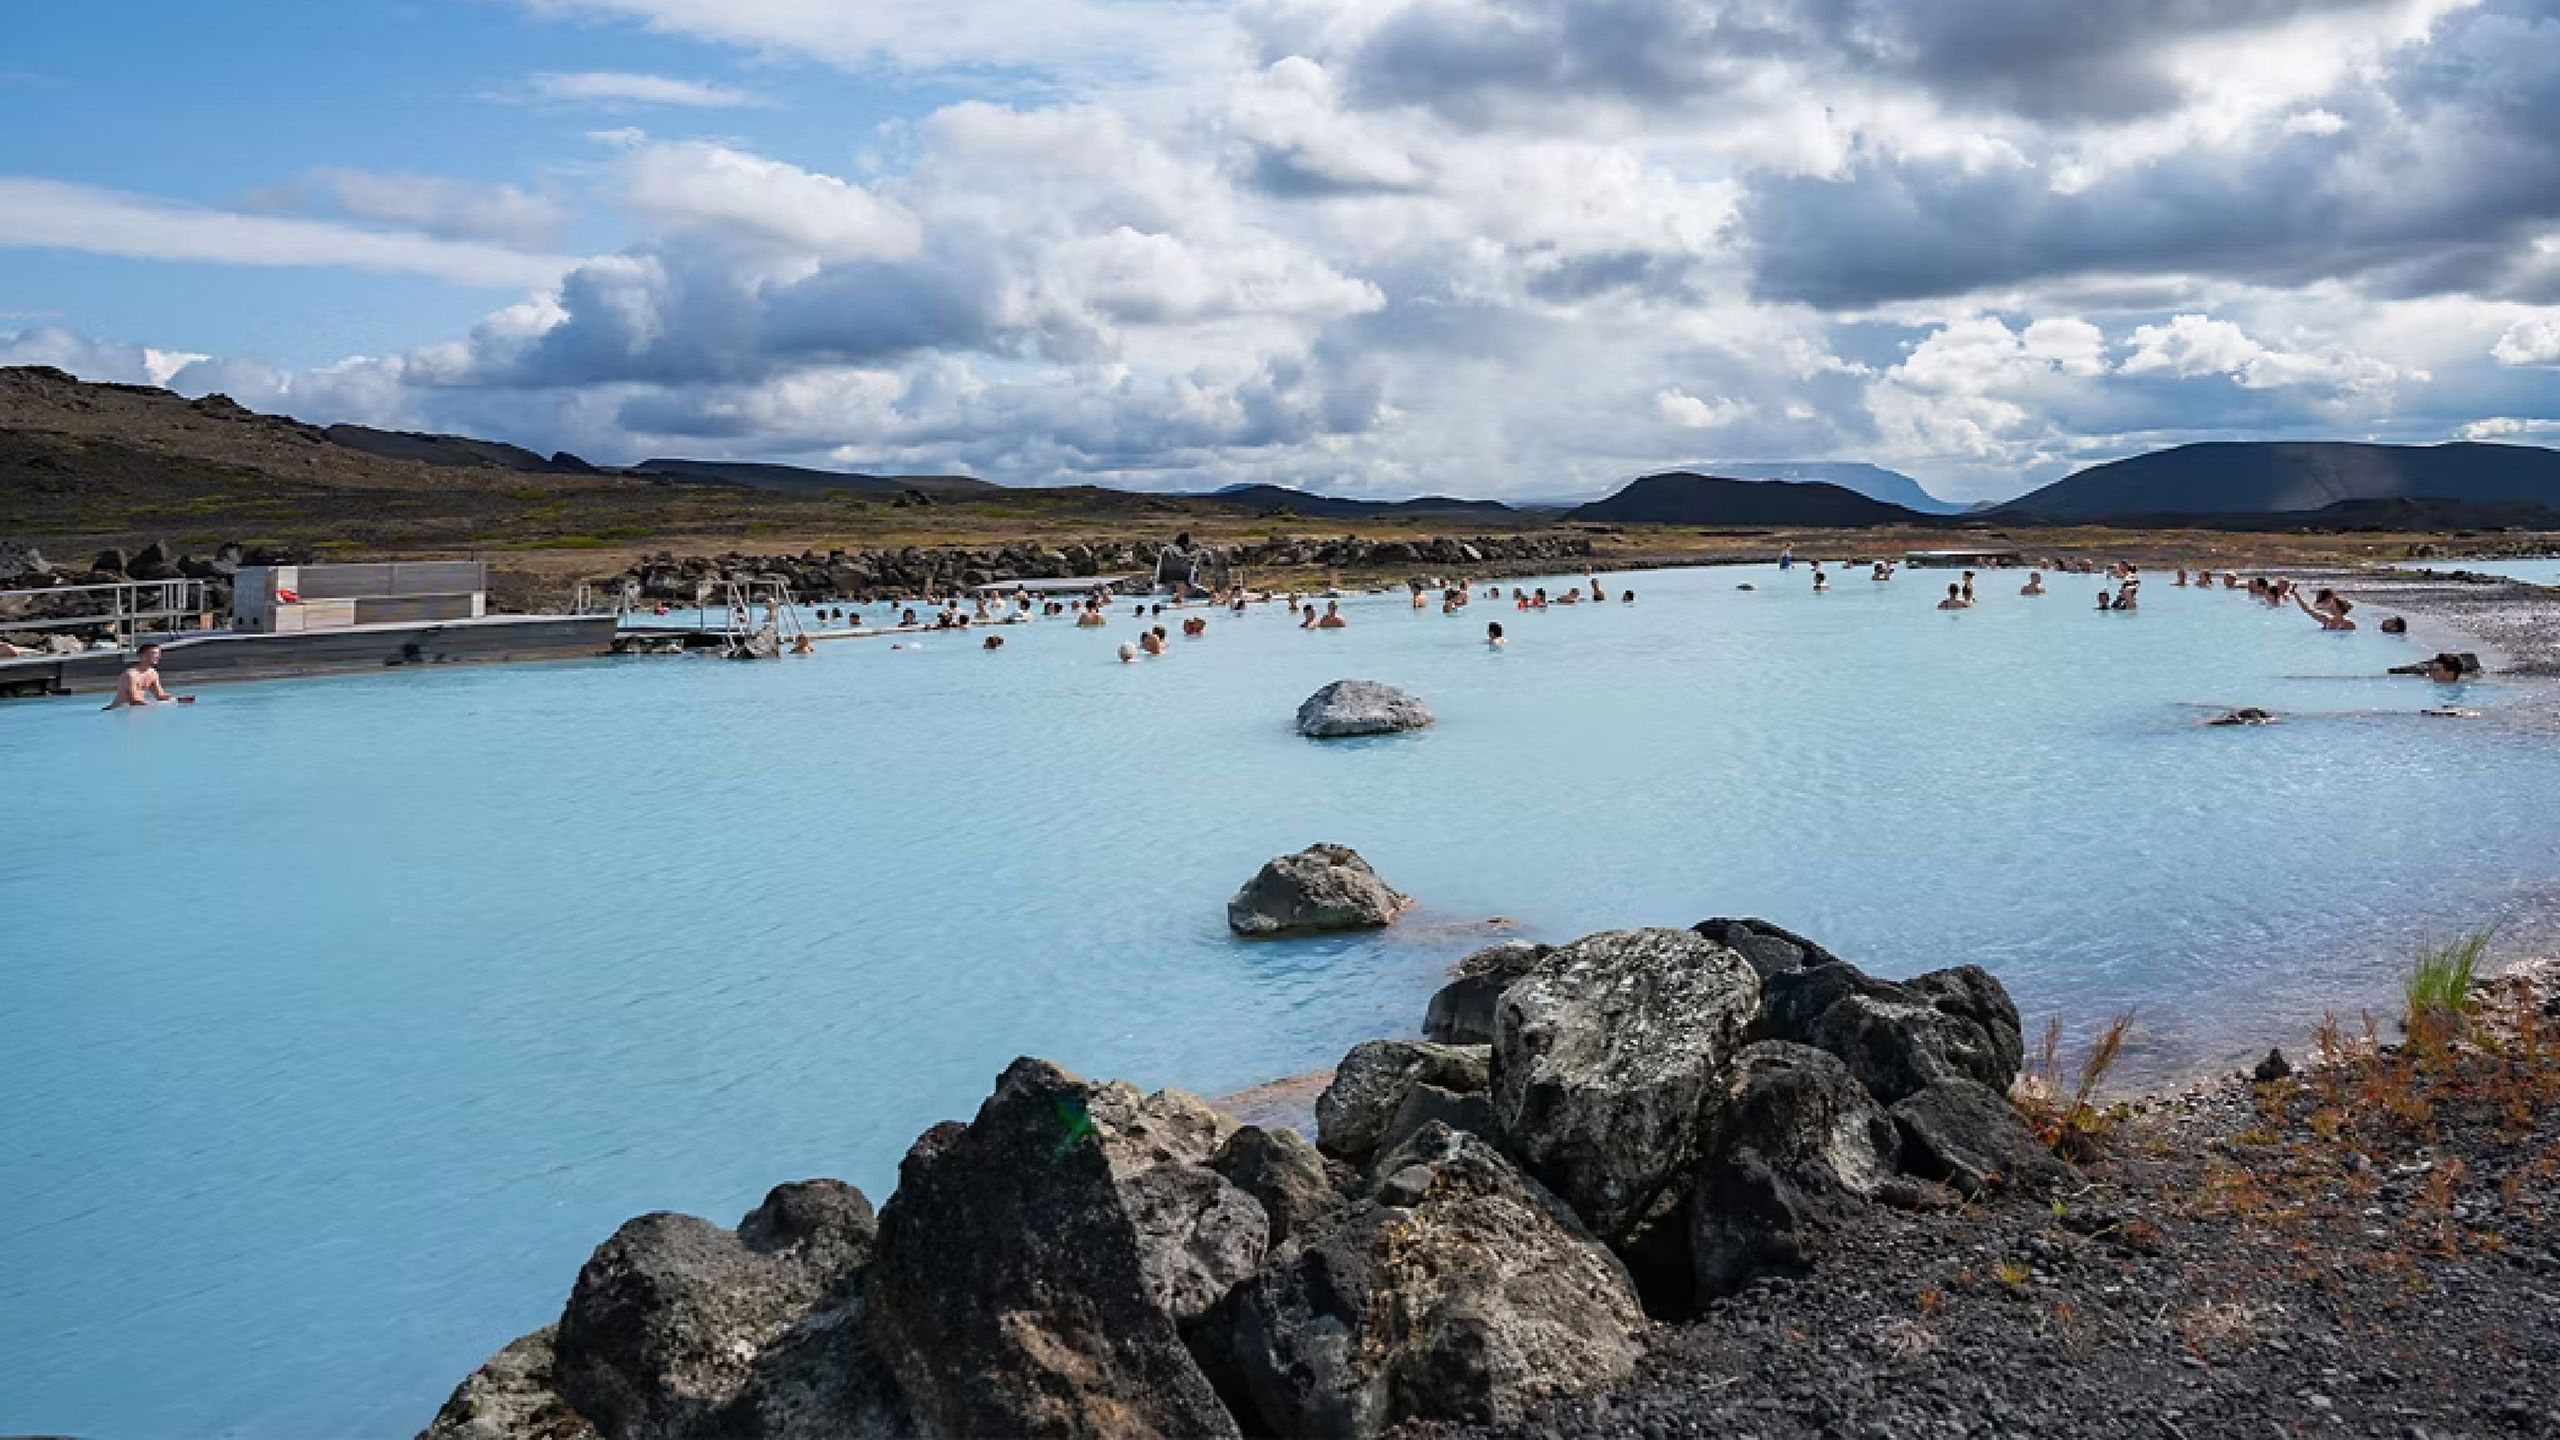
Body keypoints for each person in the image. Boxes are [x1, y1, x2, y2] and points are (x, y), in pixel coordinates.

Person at [105, 643, 192, 709]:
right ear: (142, 656)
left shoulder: (152, 673)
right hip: (119, 709)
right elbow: (134, 700)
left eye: (159, 654)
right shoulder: (130, 675)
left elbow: (160, 695)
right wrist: (154, 706)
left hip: (137, 708)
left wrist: (178, 700)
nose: (158, 656)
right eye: (154, 653)